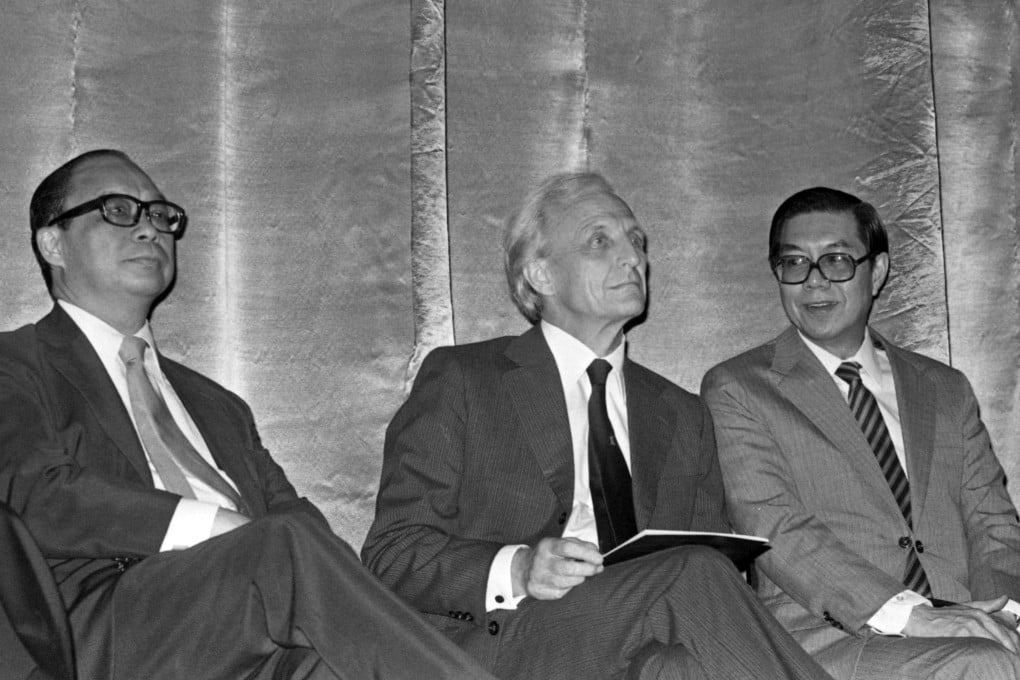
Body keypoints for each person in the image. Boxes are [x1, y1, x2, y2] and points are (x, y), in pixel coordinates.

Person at [0, 149, 498, 680]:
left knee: (326, 661)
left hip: (242, 625)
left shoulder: (218, 406)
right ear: (53, 243)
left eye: (161, 215)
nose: (150, 229)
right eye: (118, 210)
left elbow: (300, 523)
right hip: (96, 634)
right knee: (281, 547)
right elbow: (36, 494)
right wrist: (215, 527)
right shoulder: (15, 364)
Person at [362, 172, 831, 680]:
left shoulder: (683, 414)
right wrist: (518, 568)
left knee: (676, 665)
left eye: (637, 241)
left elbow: (720, 569)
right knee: (691, 572)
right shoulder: (464, 379)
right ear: (541, 274)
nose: (633, 257)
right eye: (599, 241)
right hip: (500, 645)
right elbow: (392, 552)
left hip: (633, 638)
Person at [701, 186, 1020, 679]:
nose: (814, 281)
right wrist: (915, 616)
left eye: (836, 260)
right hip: (829, 640)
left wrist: (1004, 614)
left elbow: (993, 526)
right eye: (794, 263)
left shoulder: (945, 389)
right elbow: (776, 530)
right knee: (986, 665)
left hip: (967, 624)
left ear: (879, 270)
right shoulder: (739, 388)